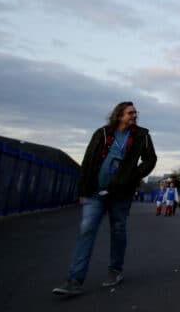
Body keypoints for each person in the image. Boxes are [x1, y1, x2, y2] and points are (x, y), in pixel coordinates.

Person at [52, 101, 157, 296]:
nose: (134, 115)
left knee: (118, 230)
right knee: (86, 231)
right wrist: (82, 189)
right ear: (119, 116)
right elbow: (88, 160)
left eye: (135, 112)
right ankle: (74, 280)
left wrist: (133, 175)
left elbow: (150, 159)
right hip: (95, 192)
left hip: (121, 193)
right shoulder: (102, 134)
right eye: (130, 113)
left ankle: (115, 270)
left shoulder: (142, 136)